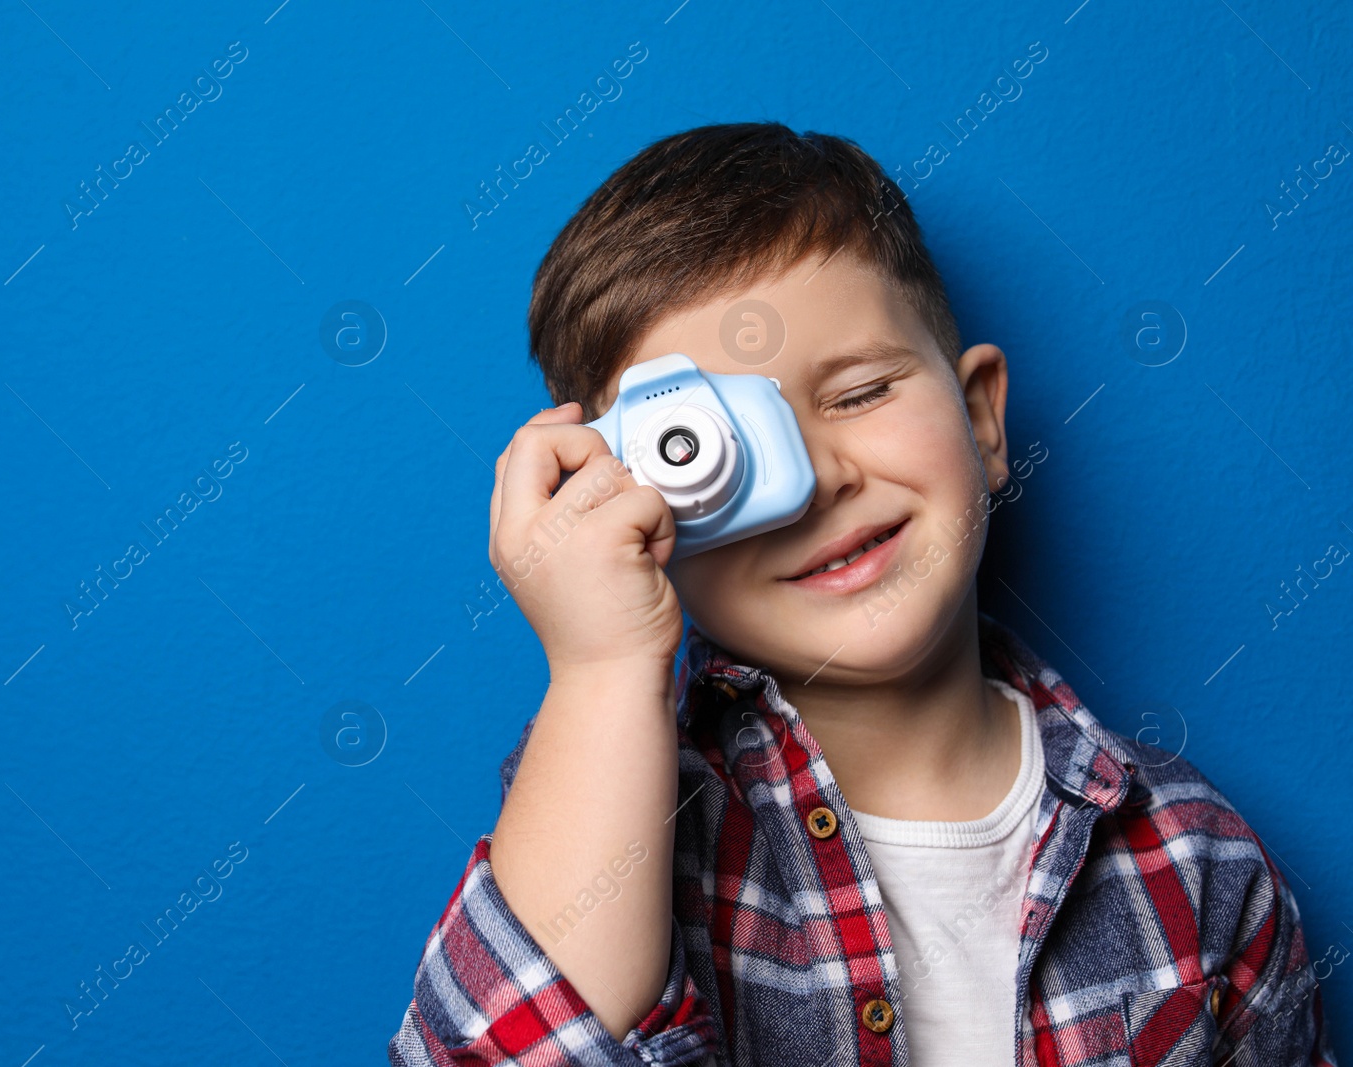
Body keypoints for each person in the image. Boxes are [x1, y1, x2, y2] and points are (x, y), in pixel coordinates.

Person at [388, 123, 1336, 1066]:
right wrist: (601, 667)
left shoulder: (1195, 860)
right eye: (716, 452)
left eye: (858, 393)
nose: (815, 476)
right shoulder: (613, 796)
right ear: (636, 509)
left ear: (981, 418)